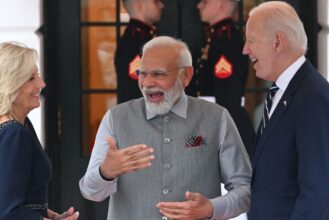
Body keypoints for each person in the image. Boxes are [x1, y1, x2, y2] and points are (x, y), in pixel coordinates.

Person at [80, 36, 251, 219]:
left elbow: (245, 190)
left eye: (158, 74)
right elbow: (90, 192)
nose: (147, 83)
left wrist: (211, 208)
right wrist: (105, 172)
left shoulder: (216, 117)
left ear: (186, 75)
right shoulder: (116, 118)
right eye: (142, 74)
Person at [243, 2, 329, 219]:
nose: (245, 49)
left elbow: (318, 191)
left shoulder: (313, 98)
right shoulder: (284, 90)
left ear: (278, 41)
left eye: (251, 40)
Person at [0, 42, 79, 220]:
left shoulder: (21, 124)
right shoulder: (14, 133)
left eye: (38, 75)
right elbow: (7, 212)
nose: (42, 83)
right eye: (31, 78)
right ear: (11, 83)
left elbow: (18, 197)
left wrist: (49, 215)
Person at [189, 0, 255, 155]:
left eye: (204, 2)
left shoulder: (226, 39)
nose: (199, 5)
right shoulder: (217, 36)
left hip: (225, 126)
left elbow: (227, 95)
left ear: (220, 4)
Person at [115, 0, 164, 104]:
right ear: (140, 6)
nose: (161, 5)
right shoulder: (135, 39)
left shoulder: (142, 36)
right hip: (138, 114)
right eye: (155, 2)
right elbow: (136, 85)